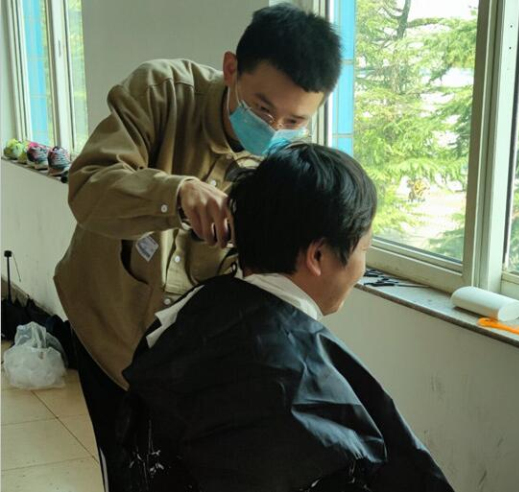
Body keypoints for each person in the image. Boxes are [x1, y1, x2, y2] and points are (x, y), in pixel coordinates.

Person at [53, 4, 341, 491]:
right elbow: (88, 188)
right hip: (107, 321)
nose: (274, 129)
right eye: (262, 109)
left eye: (294, 120)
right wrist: (175, 193)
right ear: (231, 69)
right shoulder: (161, 92)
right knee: (123, 464)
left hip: (184, 351)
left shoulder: (286, 162)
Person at [119, 143, 454, 492]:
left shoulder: (187, 313)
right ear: (318, 255)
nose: (361, 269)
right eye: (364, 248)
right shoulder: (296, 391)